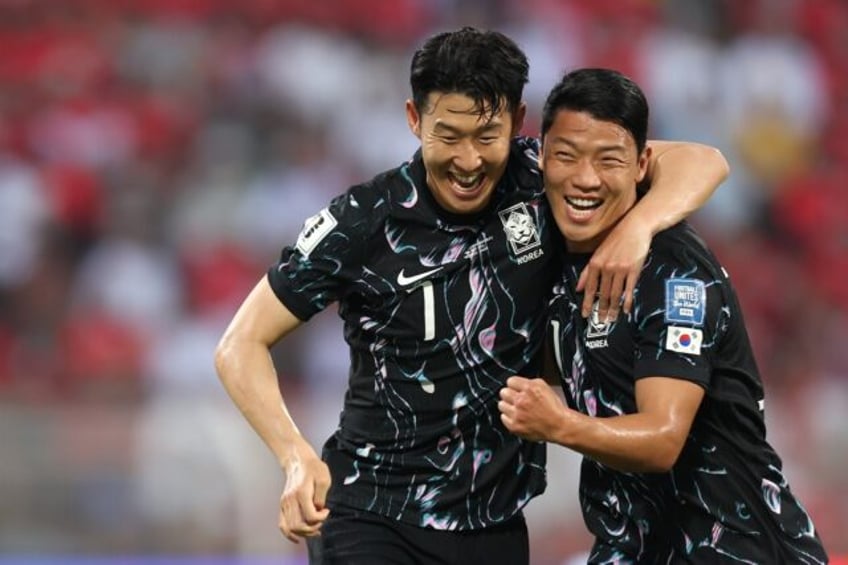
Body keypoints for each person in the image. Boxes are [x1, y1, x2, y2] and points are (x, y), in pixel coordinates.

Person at [214, 28, 729, 565]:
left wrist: (637, 227)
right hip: (373, 513)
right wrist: (294, 456)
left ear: (517, 120)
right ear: (414, 119)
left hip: (496, 523)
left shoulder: (544, 176)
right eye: (448, 135)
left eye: (486, 136)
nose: (467, 160)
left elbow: (703, 160)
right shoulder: (363, 222)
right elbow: (240, 344)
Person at [498, 67, 829, 563]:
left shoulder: (675, 276)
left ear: (641, 164)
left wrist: (558, 423)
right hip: (634, 547)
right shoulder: (561, 252)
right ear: (542, 155)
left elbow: (663, 438)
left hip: (734, 550)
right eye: (566, 156)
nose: (585, 178)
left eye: (608, 160)